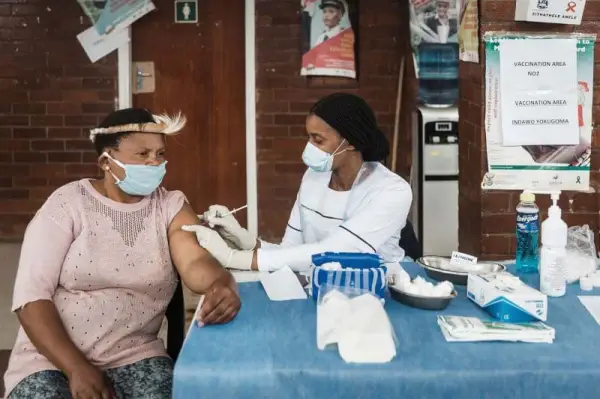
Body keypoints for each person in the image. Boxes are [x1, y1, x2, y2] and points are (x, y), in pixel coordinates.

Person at [4, 108, 241, 399]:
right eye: (143, 155)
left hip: (136, 356)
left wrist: (221, 282)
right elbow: (31, 298)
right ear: (106, 161)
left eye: (160, 154)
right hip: (50, 359)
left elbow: (195, 260)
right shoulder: (67, 204)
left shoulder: (170, 206)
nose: (155, 163)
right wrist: (77, 369)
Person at [183, 93, 412, 273]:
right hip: (327, 288)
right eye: (309, 137)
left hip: (381, 292)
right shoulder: (314, 178)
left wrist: (235, 258)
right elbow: (291, 253)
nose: (309, 147)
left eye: (318, 140)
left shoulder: (392, 191)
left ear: (351, 142)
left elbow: (334, 252)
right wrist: (245, 241)